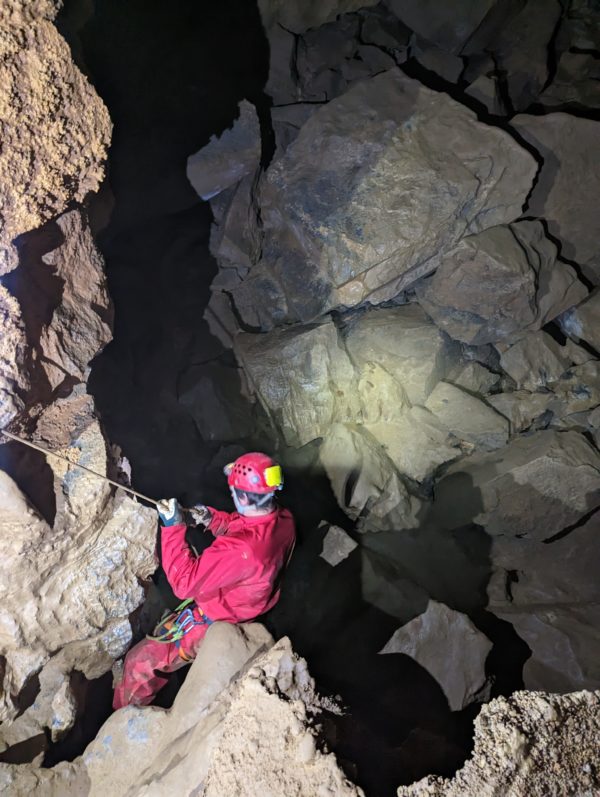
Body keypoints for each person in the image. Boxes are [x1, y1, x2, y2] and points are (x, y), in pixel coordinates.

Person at [113, 452, 295, 709]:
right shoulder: (284, 519)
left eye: (234, 492)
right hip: (248, 601)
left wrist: (173, 527)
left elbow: (184, 583)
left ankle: (124, 715)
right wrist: (213, 520)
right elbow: (246, 526)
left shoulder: (241, 552)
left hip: (217, 616)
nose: (232, 495)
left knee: (137, 664)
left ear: (243, 497)